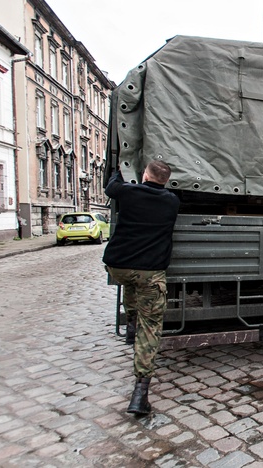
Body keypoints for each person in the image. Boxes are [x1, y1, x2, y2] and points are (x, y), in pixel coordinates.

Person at [103, 160, 180, 414]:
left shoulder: (128, 192)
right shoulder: (171, 202)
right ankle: (140, 394)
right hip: (149, 271)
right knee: (151, 328)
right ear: (166, 181)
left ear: (145, 175)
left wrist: (119, 169)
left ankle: (131, 323)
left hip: (119, 266)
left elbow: (111, 186)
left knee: (131, 285)